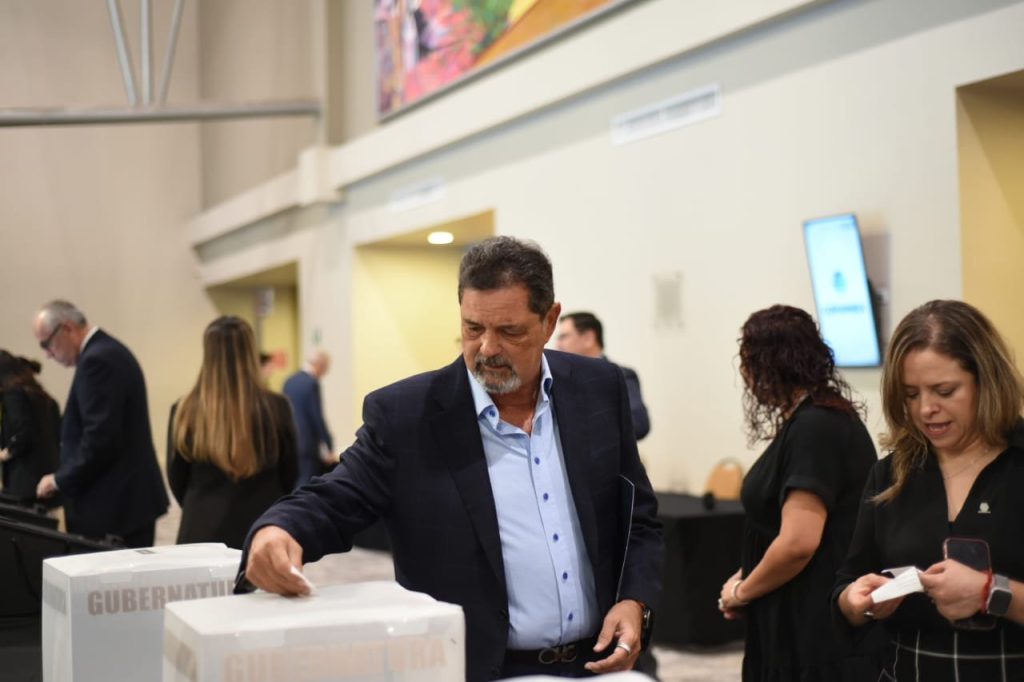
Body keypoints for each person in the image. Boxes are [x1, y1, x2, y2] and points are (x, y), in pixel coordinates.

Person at [239, 236, 663, 681]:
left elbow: (639, 520)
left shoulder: (599, 388)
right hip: (477, 669)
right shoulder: (408, 415)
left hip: (600, 666)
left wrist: (635, 601)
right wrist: (279, 528)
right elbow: (338, 495)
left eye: (510, 331)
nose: (488, 348)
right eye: (473, 328)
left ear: (549, 320)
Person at [835, 299, 1024, 679]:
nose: (925, 409)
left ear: (986, 382)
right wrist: (855, 602)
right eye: (911, 394)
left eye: (944, 390)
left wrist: (993, 592)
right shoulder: (890, 476)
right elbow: (847, 583)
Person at [717, 305, 881, 680]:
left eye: (748, 361)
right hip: (792, 615)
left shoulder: (816, 426)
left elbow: (798, 543)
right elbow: (776, 528)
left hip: (813, 626)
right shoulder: (809, 418)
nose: (745, 375)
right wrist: (745, 576)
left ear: (767, 364)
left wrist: (743, 591)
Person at [32, 300, 168, 546]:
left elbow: (100, 439)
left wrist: (59, 480)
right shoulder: (104, 352)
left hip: (116, 508)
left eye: (46, 343)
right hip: (120, 503)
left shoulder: (98, 360)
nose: (48, 354)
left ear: (67, 328)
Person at [167, 316, 298, 549]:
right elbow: (290, 474)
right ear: (250, 352)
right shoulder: (276, 407)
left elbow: (177, 479)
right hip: (263, 528)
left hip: (201, 529)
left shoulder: (185, 409)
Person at [556, 312, 650, 440]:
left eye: (564, 337)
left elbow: (639, 424)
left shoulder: (621, 376)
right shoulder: (558, 379)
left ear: (588, 338)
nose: (558, 345)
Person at [0, 351, 60, 502]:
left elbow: (22, 433)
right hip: (47, 479)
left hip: (24, 482)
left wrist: (4, 454)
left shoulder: (13, 395)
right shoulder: (42, 396)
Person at [282, 349, 335, 488]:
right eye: (326, 369)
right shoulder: (311, 383)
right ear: (320, 365)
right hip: (307, 442)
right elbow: (316, 417)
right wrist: (329, 444)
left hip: (290, 440)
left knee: (293, 482)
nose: (325, 373)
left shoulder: (289, 381)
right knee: (306, 485)